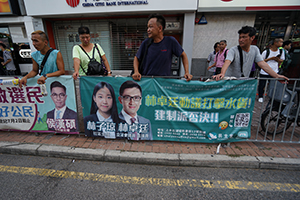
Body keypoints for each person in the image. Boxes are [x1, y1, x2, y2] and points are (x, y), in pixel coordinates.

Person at [213, 26, 288, 82]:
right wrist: (222, 73)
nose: (241, 40)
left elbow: (262, 64)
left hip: (242, 82)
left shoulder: (255, 49)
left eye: (244, 37)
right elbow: (227, 61)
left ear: (252, 38)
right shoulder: (233, 50)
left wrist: (276, 76)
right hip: (230, 81)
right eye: (240, 37)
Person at [132, 14, 192, 81]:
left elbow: (183, 55)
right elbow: (136, 58)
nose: (148, 30)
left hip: (164, 84)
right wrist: (136, 72)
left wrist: (187, 72)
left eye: (151, 27)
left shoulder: (170, 41)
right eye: (148, 27)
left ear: (160, 28)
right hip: (148, 82)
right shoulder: (146, 43)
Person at [258, 38, 285, 103]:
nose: (282, 43)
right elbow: (260, 60)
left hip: (275, 71)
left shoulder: (281, 51)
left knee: (273, 85)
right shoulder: (266, 52)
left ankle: (271, 96)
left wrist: (278, 60)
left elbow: (282, 59)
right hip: (264, 71)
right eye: (280, 42)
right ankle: (260, 96)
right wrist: (270, 58)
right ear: (275, 43)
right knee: (262, 84)